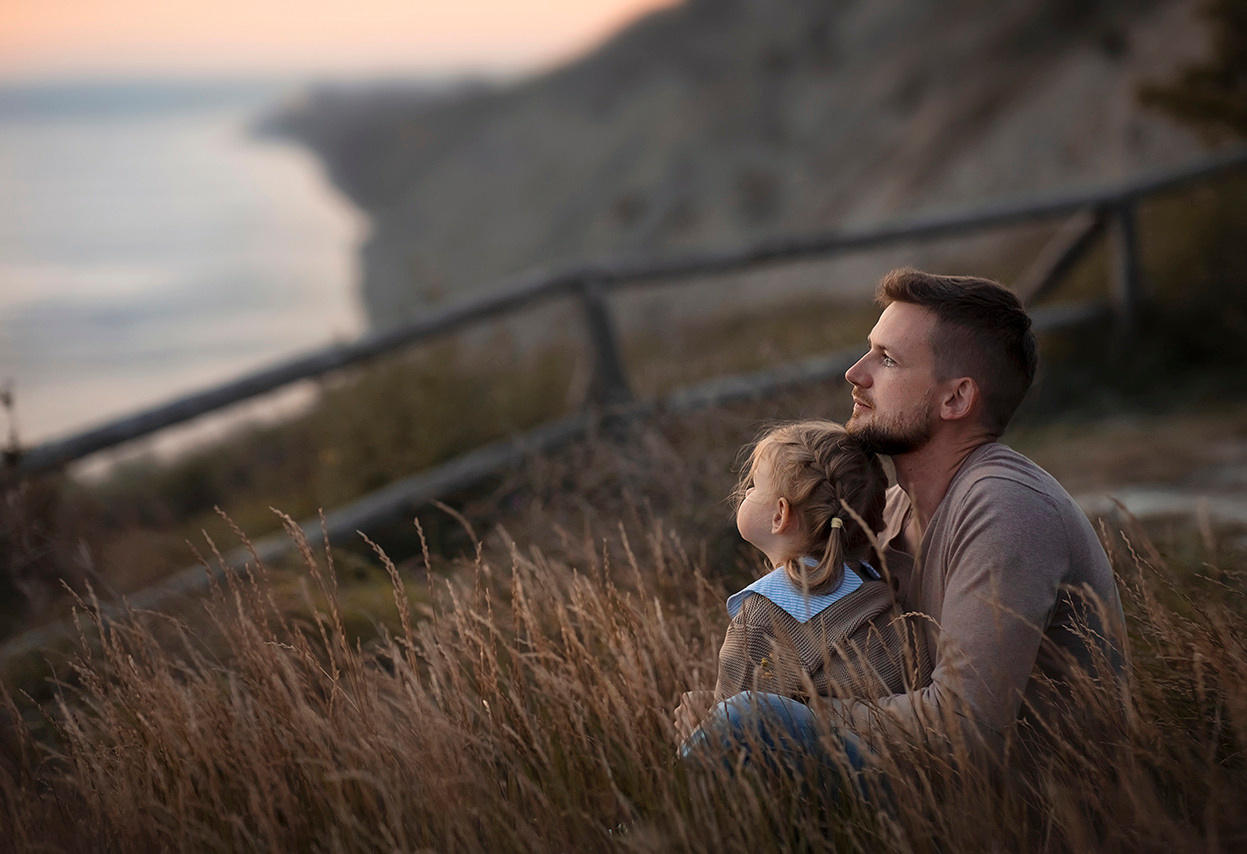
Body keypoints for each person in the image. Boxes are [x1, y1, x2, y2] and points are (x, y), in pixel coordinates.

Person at [696, 268, 1127, 766]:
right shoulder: (895, 507)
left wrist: (774, 714)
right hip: (919, 784)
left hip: (1033, 815)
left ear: (956, 399)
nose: (855, 374)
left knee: (746, 723)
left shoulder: (1005, 510)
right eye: (868, 351)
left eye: (888, 360)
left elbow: (966, 727)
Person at [673, 420, 930, 758]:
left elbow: (736, 734)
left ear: (780, 515)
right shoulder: (884, 596)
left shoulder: (764, 617)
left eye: (754, 485)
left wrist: (700, 720)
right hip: (904, 774)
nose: (745, 492)